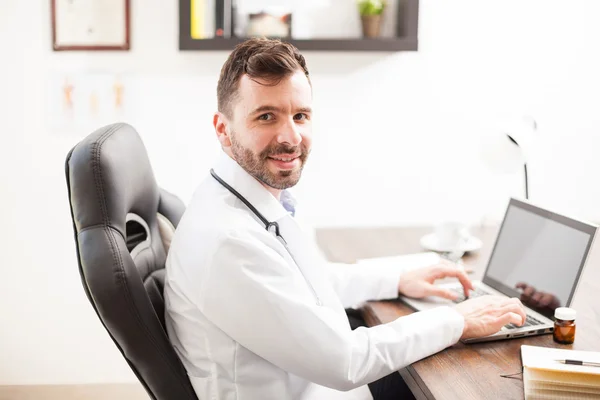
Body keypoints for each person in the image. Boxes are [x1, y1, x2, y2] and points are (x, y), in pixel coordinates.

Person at [163, 37, 527, 400]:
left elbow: (297, 287)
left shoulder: (240, 203)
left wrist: (396, 279)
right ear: (223, 130)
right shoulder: (227, 240)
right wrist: (460, 319)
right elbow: (346, 362)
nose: (291, 137)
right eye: (266, 116)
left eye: (300, 116)